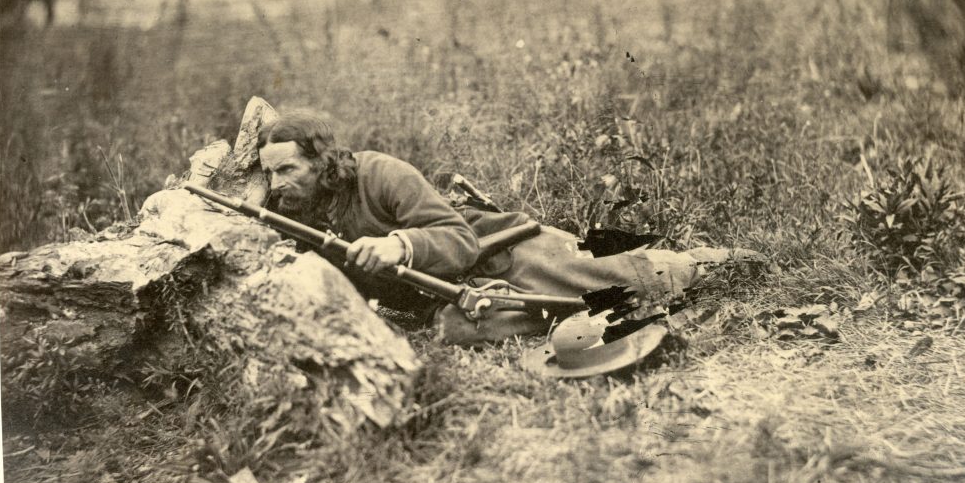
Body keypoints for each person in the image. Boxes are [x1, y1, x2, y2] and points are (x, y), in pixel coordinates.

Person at [256, 113, 762, 343]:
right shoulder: (289, 213)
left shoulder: (379, 173)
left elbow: (454, 241)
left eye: (287, 170)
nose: (277, 184)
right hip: (450, 296)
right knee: (459, 328)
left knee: (625, 281)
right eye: (269, 174)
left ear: (322, 162)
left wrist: (397, 245)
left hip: (498, 254)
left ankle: (706, 264)